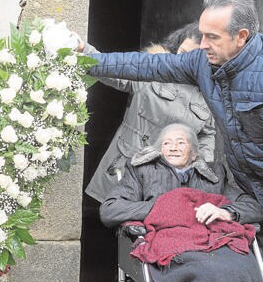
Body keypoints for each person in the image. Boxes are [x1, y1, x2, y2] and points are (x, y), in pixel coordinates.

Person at [84, 0, 263, 282]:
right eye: (202, 34)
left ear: (241, 36)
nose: (202, 45)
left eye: (212, 37)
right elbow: (146, 67)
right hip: (245, 189)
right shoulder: (203, 62)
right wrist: (87, 59)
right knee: (243, 271)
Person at [100, 123, 263, 282]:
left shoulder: (214, 175)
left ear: (194, 153)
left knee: (240, 269)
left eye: (181, 143)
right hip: (174, 247)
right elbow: (110, 209)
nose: (173, 148)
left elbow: (255, 207)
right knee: (208, 272)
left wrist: (225, 212)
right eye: (166, 143)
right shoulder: (143, 171)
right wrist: (168, 208)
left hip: (217, 243)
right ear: (159, 151)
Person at [85, 22, 216, 203]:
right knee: (110, 219)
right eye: (182, 53)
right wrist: (84, 50)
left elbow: (206, 134)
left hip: (169, 180)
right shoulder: (155, 68)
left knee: (157, 225)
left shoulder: (209, 91)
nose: (184, 61)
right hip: (125, 167)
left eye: (192, 57)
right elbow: (114, 71)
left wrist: (203, 172)